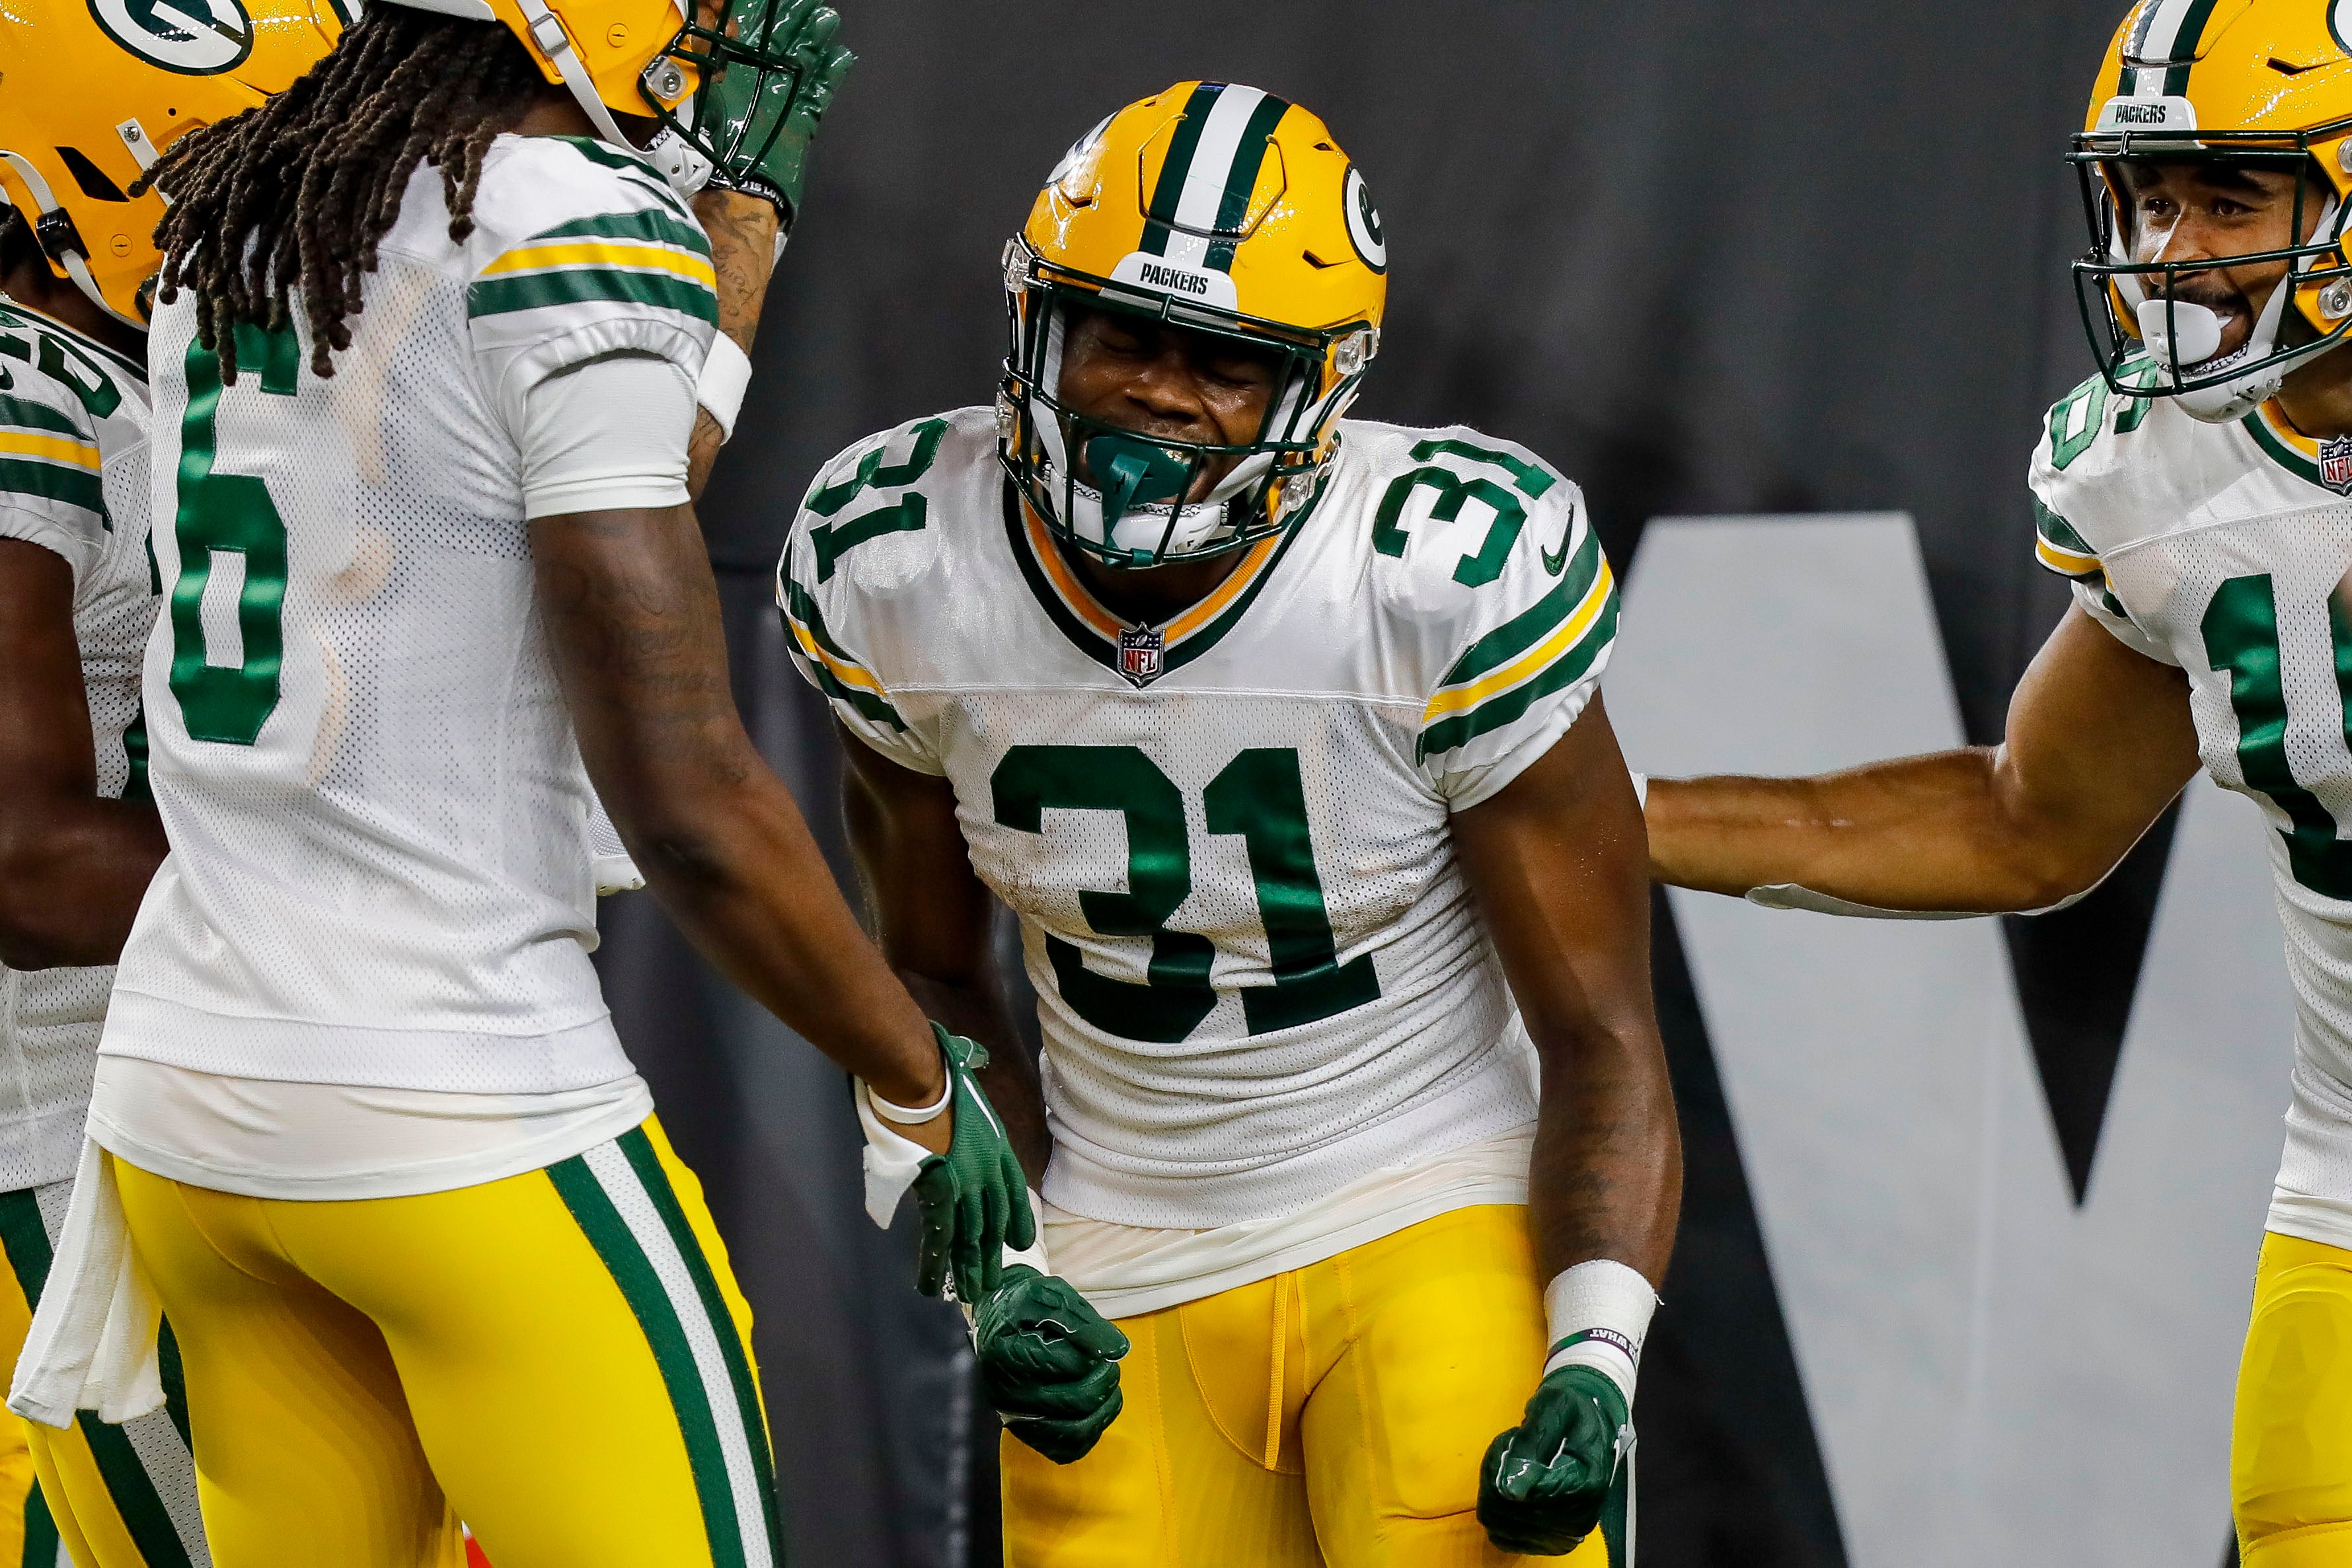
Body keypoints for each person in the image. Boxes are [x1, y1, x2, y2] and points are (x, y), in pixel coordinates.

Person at [2, 3, 1032, 1565]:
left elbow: (532, 487)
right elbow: (686, 796)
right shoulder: (568, 216)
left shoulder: (239, 218)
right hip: (449, 1095)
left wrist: (731, 269)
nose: (701, 62)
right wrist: (911, 1077)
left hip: (181, 1109)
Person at [782, 82, 1682, 1567]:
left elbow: (1600, 1031)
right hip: (1114, 1229)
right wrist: (1001, 1270)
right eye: (1119, 333)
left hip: (1421, 1187)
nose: (1155, 390)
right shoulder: (898, 555)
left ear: (1317, 389)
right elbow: (930, 979)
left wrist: (1592, 1354)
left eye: (1225, 362)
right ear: (1036, 324)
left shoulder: (1436, 568)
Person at [1642, 3, 2352, 1562]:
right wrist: (1596, 819)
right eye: (2147, 198)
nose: (2166, 251)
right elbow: (2024, 818)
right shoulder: (2156, 469)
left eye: (2226, 196)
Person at [0, 2, 340, 1561]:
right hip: (59, 1148)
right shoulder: (24, 382)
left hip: (167, 1112)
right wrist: (384, 886)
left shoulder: (114, 369)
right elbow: (24, 863)